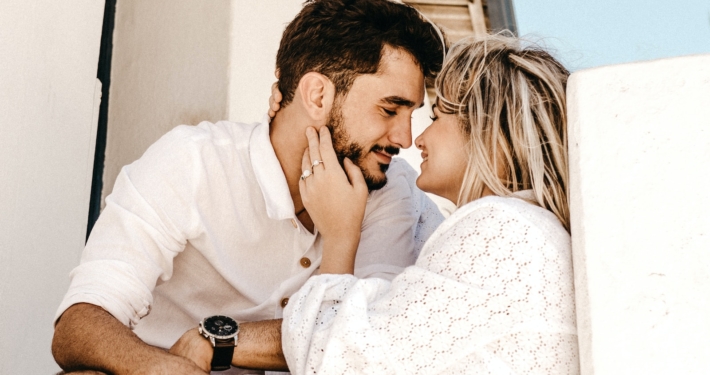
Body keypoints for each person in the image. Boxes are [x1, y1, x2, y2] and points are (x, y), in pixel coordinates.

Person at [51, 1, 444, 374]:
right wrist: (159, 368)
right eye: (390, 110)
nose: (405, 138)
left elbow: (366, 339)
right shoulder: (193, 162)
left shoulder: (389, 188)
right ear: (318, 95)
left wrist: (342, 237)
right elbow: (80, 321)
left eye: (411, 114)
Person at [174, 33, 579, 373]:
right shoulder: (524, 233)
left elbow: (345, 361)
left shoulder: (501, 229)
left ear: (490, 131)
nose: (414, 139)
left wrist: (338, 236)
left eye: (437, 117)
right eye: (390, 110)